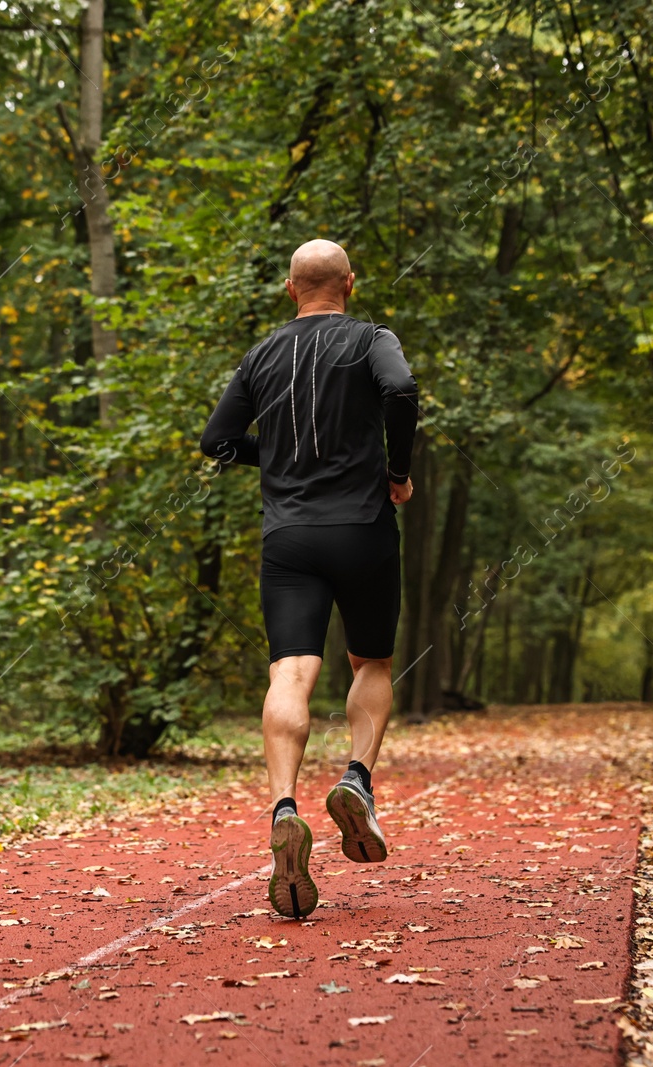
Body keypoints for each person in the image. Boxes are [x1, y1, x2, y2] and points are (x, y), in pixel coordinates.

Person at [199, 239, 420, 919]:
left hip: (289, 536)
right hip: (362, 528)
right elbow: (402, 390)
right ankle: (356, 779)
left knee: (290, 674)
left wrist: (278, 462)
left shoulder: (262, 354)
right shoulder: (372, 338)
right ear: (349, 283)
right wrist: (398, 471)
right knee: (372, 660)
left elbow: (217, 439)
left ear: (290, 290)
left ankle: (284, 807)